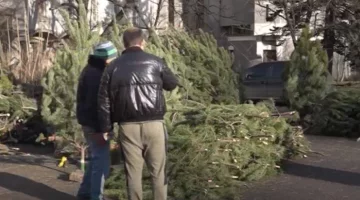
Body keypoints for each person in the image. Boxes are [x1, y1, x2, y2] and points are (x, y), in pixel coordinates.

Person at [97, 27, 178, 200]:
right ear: (143, 42)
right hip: (154, 125)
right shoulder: (156, 62)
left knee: (133, 174)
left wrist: (106, 127)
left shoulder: (112, 67)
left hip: (127, 127)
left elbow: (103, 100)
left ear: (123, 43)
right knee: (158, 172)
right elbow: (172, 84)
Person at [76, 41, 118, 200]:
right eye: (114, 57)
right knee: (101, 164)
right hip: (96, 125)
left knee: (95, 160)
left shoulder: (91, 70)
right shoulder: (98, 75)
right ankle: (95, 197)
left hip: (89, 122)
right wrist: (103, 129)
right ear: (107, 59)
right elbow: (97, 104)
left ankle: (84, 193)